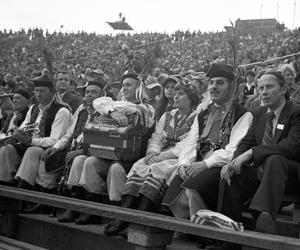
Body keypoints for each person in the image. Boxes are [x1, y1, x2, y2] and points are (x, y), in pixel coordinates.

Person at [58, 70, 155, 225]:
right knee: (86, 161)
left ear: (139, 87)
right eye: (123, 85)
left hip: (130, 156)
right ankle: (83, 206)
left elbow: (134, 112)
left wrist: (113, 109)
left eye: (129, 85)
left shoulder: (147, 108)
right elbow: (98, 102)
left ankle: (117, 212)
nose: (124, 88)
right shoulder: (113, 105)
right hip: (107, 151)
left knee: (115, 168)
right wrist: (111, 111)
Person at [104, 79, 199, 236]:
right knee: (140, 166)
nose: (176, 96)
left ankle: (138, 223)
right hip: (160, 155)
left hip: (179, 157)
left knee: (156, 168)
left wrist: (162, 156)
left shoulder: (196, 117)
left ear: (191, 98)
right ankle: (122, 219)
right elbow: (156, 137)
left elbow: (187, 144)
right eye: (175, 93)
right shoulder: (168, 116)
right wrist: (152, 153)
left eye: (181, 94)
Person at [162, 63, 252, 226]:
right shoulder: (202, 114)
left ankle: (204, 231)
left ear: (231, 87)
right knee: (171, 192)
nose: (214, 87)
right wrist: (184, 165)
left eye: (220, 83)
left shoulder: (243, 114)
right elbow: (190, 143)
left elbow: (234, 150)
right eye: (211, 82)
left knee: (192, 188)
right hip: (199, 164)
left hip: (221, 167)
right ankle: (190, 229)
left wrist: (204, 164)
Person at [220, 72, 300, 248]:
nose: (263, 92)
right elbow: (246, 143)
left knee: (275, 159)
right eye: (261, 88)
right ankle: (231, 238)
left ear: (284, 89)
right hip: (263, 175)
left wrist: (251, 153)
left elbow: (292, 146)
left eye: (269, 87)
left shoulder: (296, 111)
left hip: (290, 175)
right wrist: (233, 162)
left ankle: (262, 219)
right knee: (233, 173)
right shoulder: (259, 113)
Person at [46, 79, 106, 223]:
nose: (90, 95)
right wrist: (56, 147)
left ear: (102, 95)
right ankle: (75, 207)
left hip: (95, 152)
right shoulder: (82, 110)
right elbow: (69, 133)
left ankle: (91, 211)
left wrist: (81, 152)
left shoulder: (107, 112)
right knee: (71, 158)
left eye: (94, 92)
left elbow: (104, 141)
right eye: (88, 92)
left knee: (79, 160)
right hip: (77, 149)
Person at [0, 74, 72, 189]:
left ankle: (25, 186)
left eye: (43, 91)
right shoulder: (33, 108)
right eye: (37, 90)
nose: (38, 94)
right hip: (30, 144)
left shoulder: (61, 111)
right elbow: (24, 128)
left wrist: (30, 141)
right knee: (7, 149)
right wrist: (18, 133)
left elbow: (54, 140)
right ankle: (4, 183)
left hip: (49, 149)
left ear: (52, 92)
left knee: (32, 150)